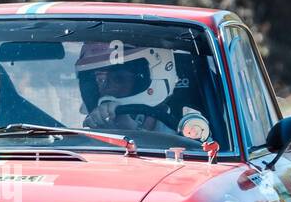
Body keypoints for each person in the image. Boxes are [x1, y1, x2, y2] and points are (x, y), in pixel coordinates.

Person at [75, 42, 212, 141]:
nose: (106, 89)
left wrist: (132, 133)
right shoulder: (73, 131)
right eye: (97, 81)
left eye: (119, 79)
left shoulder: (187, 132)